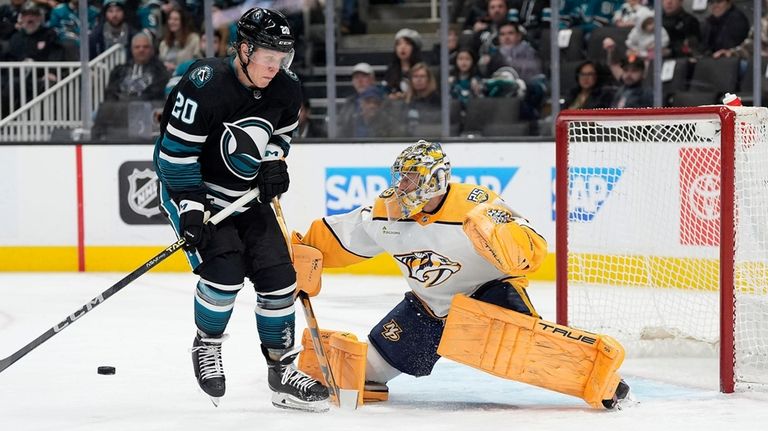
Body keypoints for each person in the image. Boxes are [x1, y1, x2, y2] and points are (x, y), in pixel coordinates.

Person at [292, 140, 632, 410]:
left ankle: (603, 381)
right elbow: (340, 238)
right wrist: (298, 253)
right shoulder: (386, 211)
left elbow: (532, 250)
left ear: (436, 179)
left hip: (489, 294)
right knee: (367, 373)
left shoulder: (475, 204)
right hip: (430, 309)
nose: (402, 186)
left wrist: (506, 240)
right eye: (401, 177)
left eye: (411, 178)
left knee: (533, 354)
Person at [152, 7, 329, 412]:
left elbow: (280, 135)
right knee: (224, 274)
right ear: (245, 49)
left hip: (245, 196)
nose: (275, 66)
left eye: (281, 58)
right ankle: (208, 344)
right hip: (195, 190)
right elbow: (174, 158)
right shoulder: (204, 84)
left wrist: (271, 162)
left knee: (280, 279)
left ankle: (281, 372)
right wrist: (193, 210)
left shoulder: (286, 87)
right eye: (268, 57)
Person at [104, 32, 169, 101]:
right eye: (137, 47)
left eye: (145, 47)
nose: (141, 50)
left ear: (151, 50)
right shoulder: (118, 71)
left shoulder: (160, 71)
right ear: (132, 50)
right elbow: (110, 93)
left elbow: (157, 93)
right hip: (120, 108)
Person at [158, 5, 200, 72]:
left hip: (185, 77)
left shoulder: (194, 39)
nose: (172, 22)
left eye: (176, 19)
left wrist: (176, 68)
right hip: (166, 78)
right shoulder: (163, 43)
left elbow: (198, 63)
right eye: (170, 19)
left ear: (183, 22)